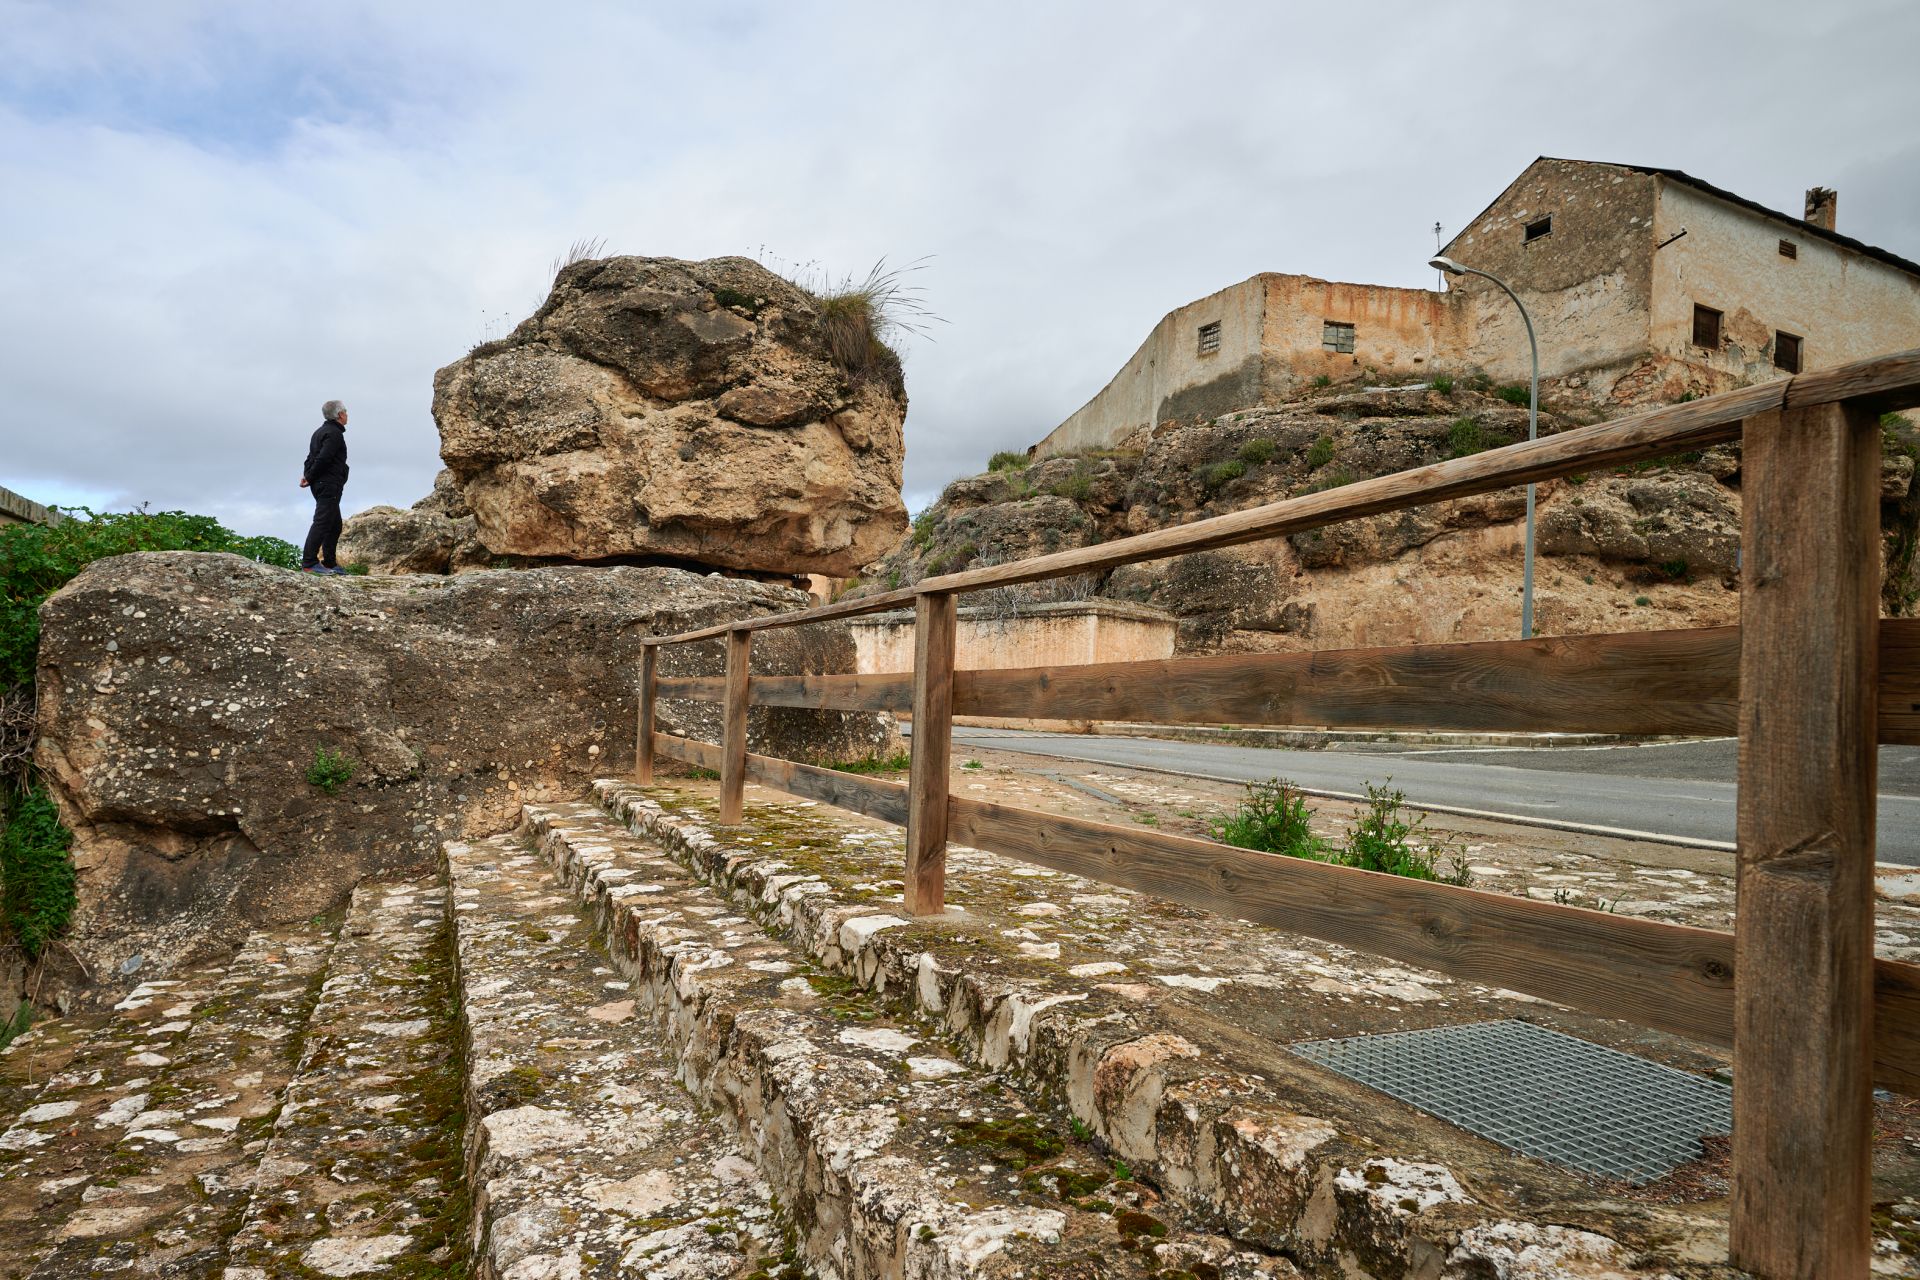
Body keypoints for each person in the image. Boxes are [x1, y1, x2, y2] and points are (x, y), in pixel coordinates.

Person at [300, 400, 351, 574]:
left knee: (335, 523)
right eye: (345, 411)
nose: (347, 414)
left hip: (320, 483)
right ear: (340, 415)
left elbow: (310, 457)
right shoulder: (334, 434)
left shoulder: (319, 432)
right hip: (328, 483)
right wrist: (311, 476)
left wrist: (308, 476)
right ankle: (309, 562)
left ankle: (329, 563)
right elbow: (323, 458)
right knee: (322, 521)